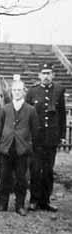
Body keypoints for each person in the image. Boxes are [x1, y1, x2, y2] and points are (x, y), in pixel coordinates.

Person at [25, 62, 67, 212]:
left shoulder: (59, 90)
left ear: (53, 75)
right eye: (44, 73)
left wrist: (61, 135)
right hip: (36, 139)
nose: (46, 76)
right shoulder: (32, 92)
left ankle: (45, 201)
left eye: (49, 73)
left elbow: (62, 114)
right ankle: (34, 200)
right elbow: (27, 115)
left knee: (48, 170)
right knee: (35, 170)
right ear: (39, 75)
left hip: (51, 138)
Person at [0, 76, 39, 216]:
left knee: (21, 178)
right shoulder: (5, 108)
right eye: (14, 90)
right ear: (11, 92)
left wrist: (27, 144)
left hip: (22, 149)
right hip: (7, 148)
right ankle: (3, 204)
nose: (17, 92)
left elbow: (35, 130)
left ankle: (20, 205)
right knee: (5, 176)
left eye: (19, 90)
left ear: (24, 92)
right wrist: (4, 139)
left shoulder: (31, 110)